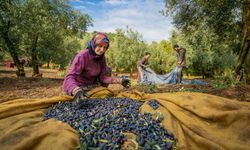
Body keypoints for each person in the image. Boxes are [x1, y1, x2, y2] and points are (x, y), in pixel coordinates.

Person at [63, 32, 130, 103]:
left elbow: (103, 77)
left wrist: (120, 81)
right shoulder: (82, 56)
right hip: (78, 87)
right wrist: (76, 90)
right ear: (93, 44)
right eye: (100, 46)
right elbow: (70, 77)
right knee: (80, 100)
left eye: (105, 47)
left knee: (108, 70)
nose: (102, 50)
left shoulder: (102, 58)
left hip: (91, 86)